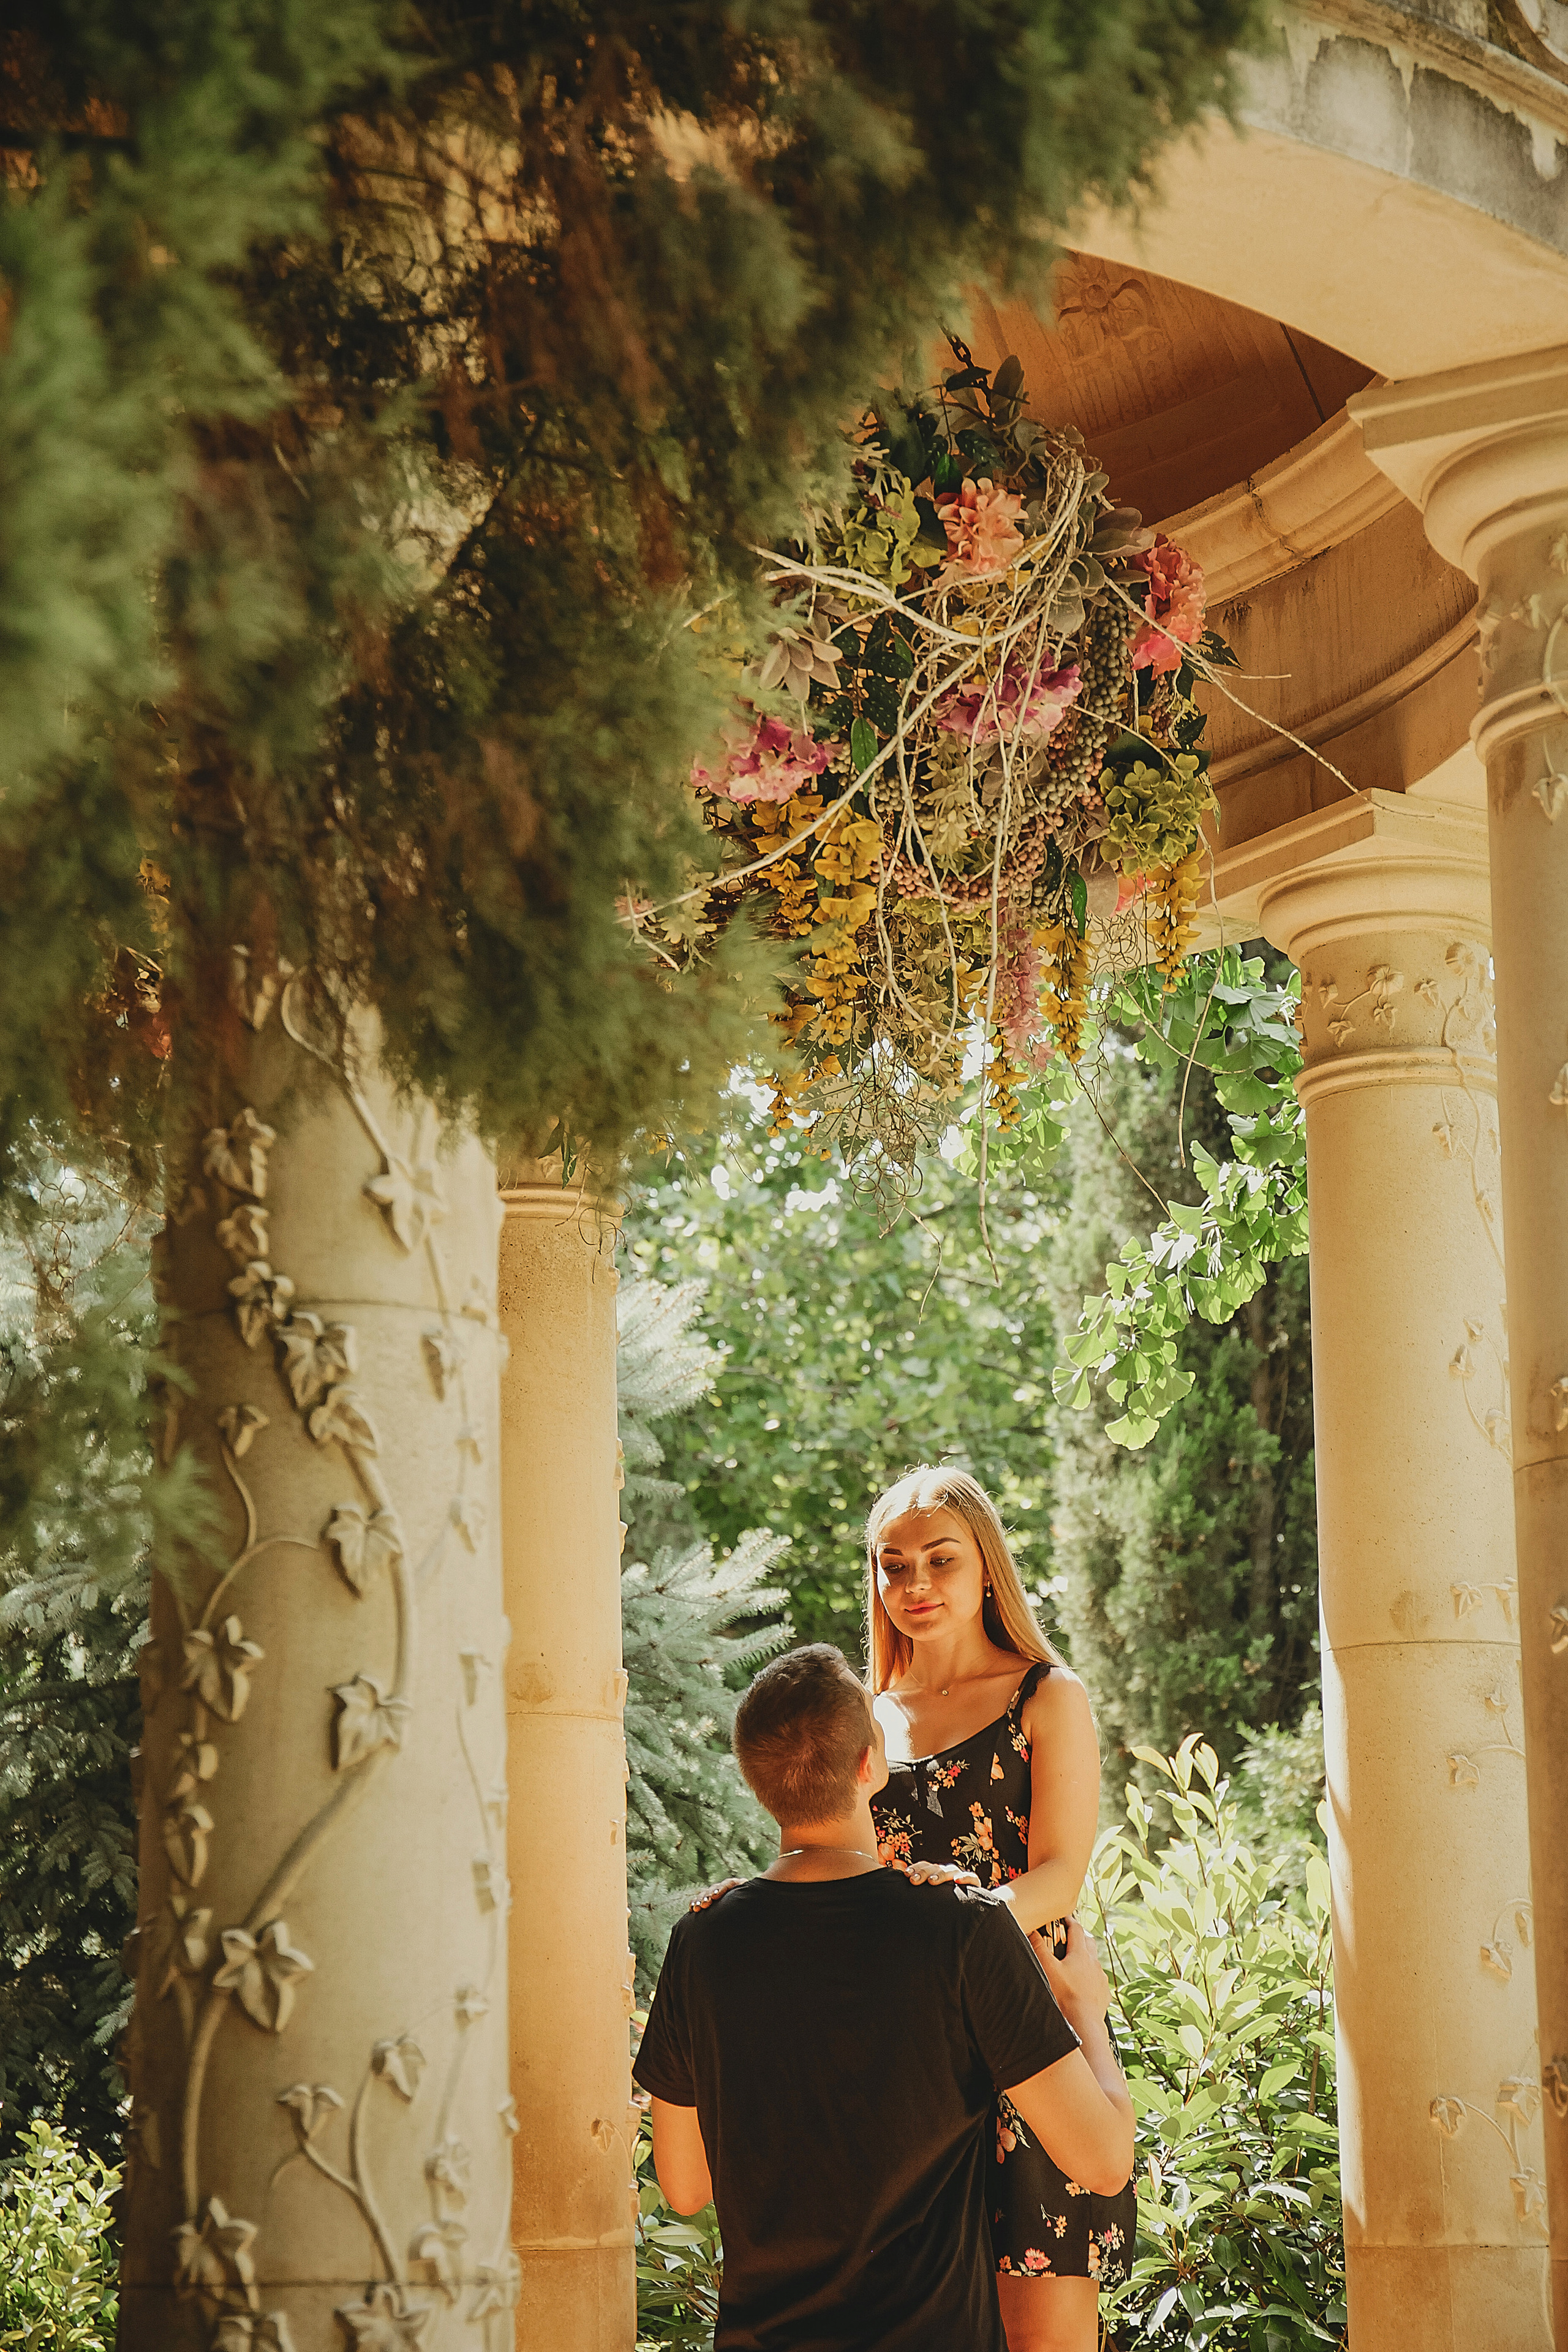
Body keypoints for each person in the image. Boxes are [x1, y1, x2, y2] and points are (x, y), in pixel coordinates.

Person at [635, 1643, 1133, 2352]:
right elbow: (1104, 2161)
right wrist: (1085, 2012)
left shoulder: (702, 1939)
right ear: (871, 1767)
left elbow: (684, 2188)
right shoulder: (961, 1929)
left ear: (755, 1783)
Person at [865, 1466, 1134, 2352]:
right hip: (907, 2049)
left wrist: (963, 1919)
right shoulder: (865, 1722)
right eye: (893, 1565)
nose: (915, 1583)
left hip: (1027, 2025)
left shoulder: (1047, 1696)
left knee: (1043, 2334)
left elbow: (1060, 1875)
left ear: (986, 1567)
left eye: (940, 1560)